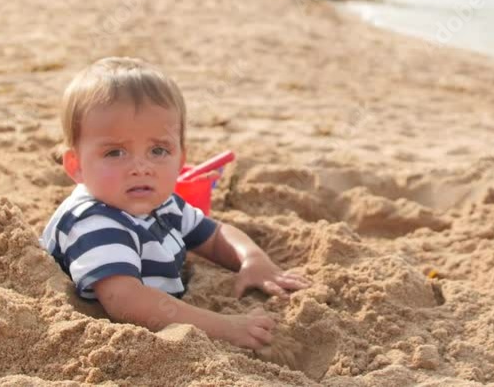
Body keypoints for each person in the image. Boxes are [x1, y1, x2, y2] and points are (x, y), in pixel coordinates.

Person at [39, 56, 310, 350]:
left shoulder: (160, 201)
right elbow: (126, 301)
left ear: (181, 159)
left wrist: (251, 259)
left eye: (158, 150)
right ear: (76, 165)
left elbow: (215, 235)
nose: (141, 167)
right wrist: (225, 327)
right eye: (115, 153)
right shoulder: (93, 221)